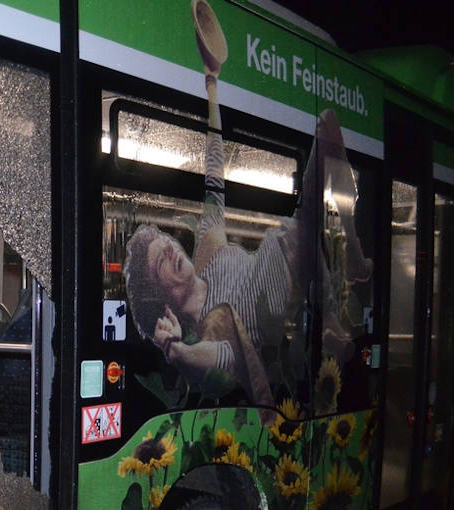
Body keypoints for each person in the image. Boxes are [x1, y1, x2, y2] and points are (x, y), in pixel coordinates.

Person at [123, 36, 372, 407]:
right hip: (288, 271)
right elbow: (221, 361)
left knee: (329, 125)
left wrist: (212, 84)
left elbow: (213, 175)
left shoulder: (208, 251)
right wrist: (175, 350)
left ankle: (351, 251)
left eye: (169, 245)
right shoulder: (208, 330)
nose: (174, 251)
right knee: (299, 224)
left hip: (292, 246)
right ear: (162, 299)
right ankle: (335, 307)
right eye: (162, 260)